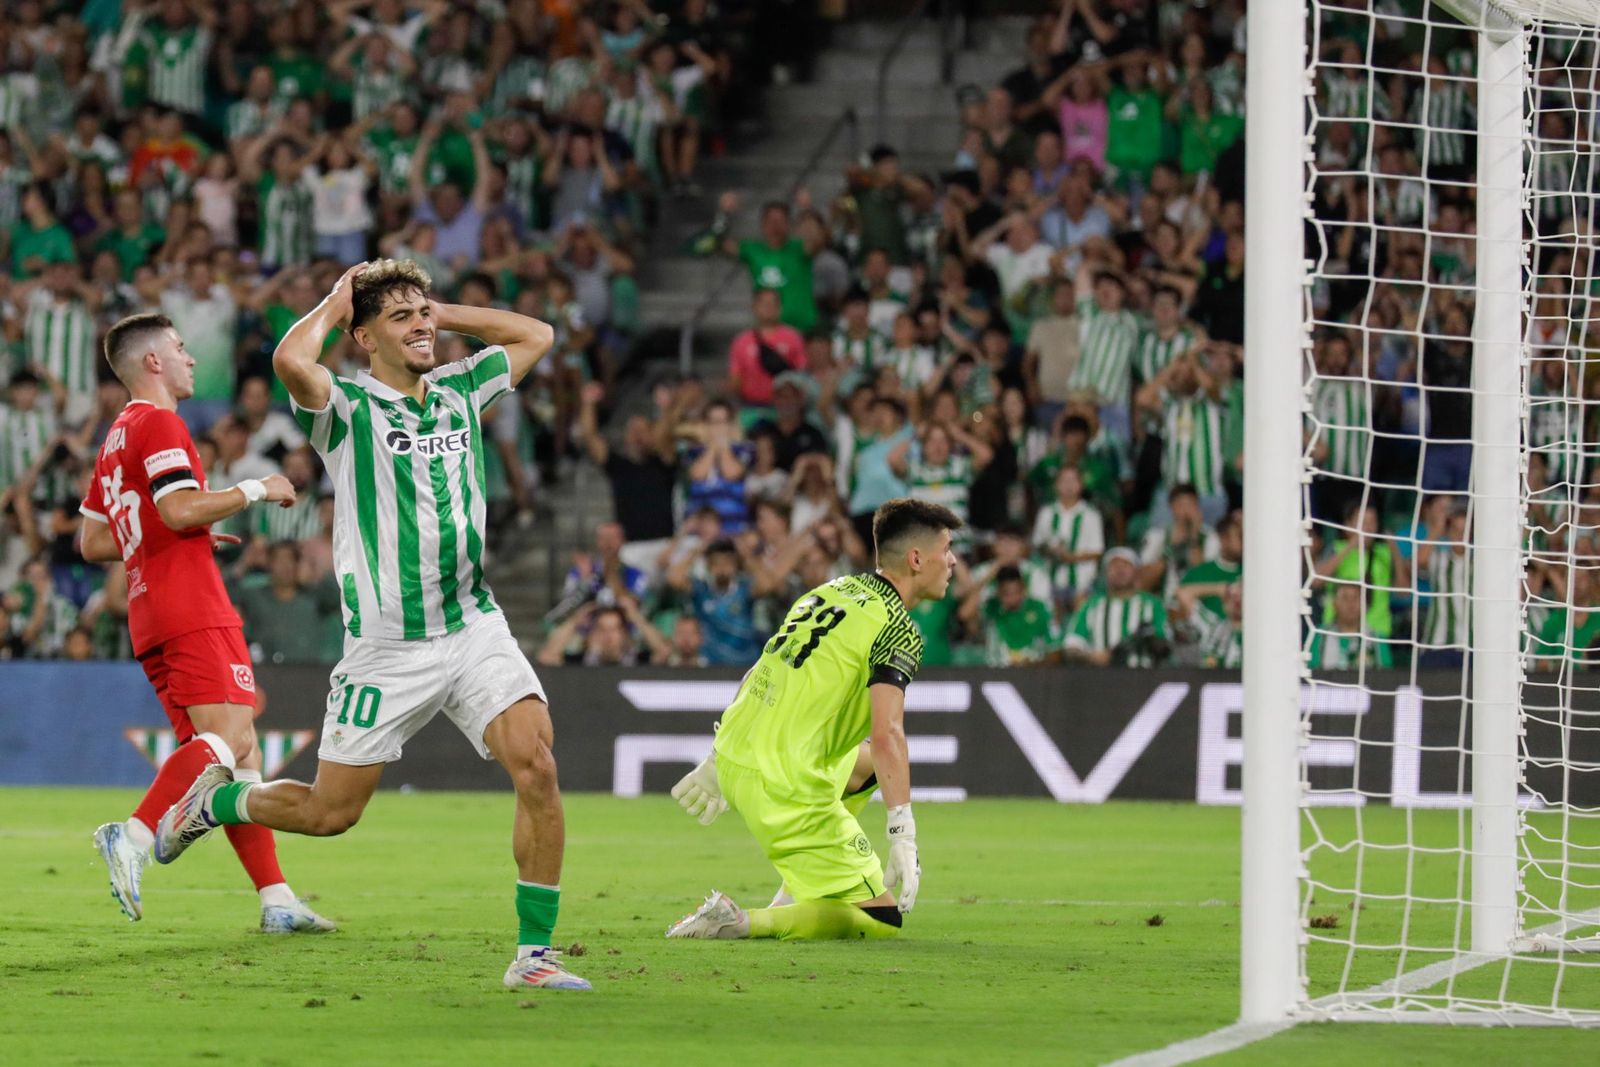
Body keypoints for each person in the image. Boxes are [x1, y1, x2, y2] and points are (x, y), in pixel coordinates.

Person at [154, 260, 589, 992]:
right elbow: (292, 359)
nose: (419, 324)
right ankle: (219, 799)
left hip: (473, 625)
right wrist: (333, 300)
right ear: (362, 337)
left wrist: (438, 313)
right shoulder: (346, 407)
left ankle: (533, 956)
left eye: (423, 313)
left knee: (538, 766)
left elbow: (537, 333)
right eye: (400, 317)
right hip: (388, 649)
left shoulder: (459, 385)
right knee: (330, 814)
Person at [78, 312, 331, 934]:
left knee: (235, 755)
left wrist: (182, 530)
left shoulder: (116, 434)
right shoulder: (161, 421)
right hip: (190, 605)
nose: (192, 359)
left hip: (150, 609)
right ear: (153, 363)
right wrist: (256, 489)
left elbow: (92, 540)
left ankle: (276, 899)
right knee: (228, 742)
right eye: (182, 349)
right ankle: (134, 836)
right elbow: (178, 505)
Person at [664, 498, 960, 941]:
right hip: (784, 782)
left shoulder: (831, 590)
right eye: (947, 549)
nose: (953, 560)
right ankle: (742, 920)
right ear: (917, 559)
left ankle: (795, 888)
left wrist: (716, 758)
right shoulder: (898, 628)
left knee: (867, 772)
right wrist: (902, 834)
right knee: (880, 922)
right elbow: (888, 733)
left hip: (736, 756)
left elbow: (760, 669)